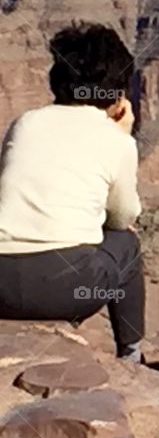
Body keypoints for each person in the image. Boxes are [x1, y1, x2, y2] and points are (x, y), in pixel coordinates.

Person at [0, 24, 146, 360]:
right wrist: (121, 132)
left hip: (1, 288)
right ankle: (132, 354)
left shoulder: (25, 122)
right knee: (127, 244)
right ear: (119, 95)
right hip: (66, 291)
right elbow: (123, 218)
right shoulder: (117, 142)